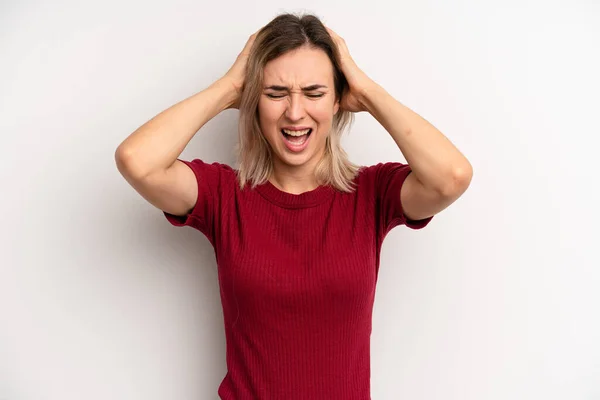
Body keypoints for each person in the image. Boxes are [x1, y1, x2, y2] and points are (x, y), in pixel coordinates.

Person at [115, 13, 472, 400]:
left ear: (339, 101)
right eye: (275, 93)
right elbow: (137, 160)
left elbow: (451, 176)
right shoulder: (224, 195)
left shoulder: (371, 194)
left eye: (315, 93)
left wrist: (367, 91)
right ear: (253, 102)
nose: (295, 112)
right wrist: (229, 87)